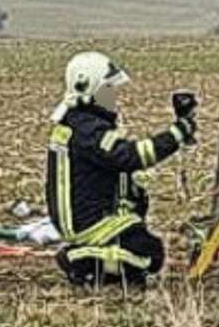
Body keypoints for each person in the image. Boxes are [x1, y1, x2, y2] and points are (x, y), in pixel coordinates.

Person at [45, 51, 197, 287]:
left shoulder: (79, 123)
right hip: (90, 223)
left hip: (87, 218)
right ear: (91, 89)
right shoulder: (89, 131)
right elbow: (130, 156)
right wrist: (177, 134)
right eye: (108, 89)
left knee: (141, 234)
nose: (113, 96)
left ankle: (96, 255)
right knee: (148, 256)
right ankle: (81, 259)